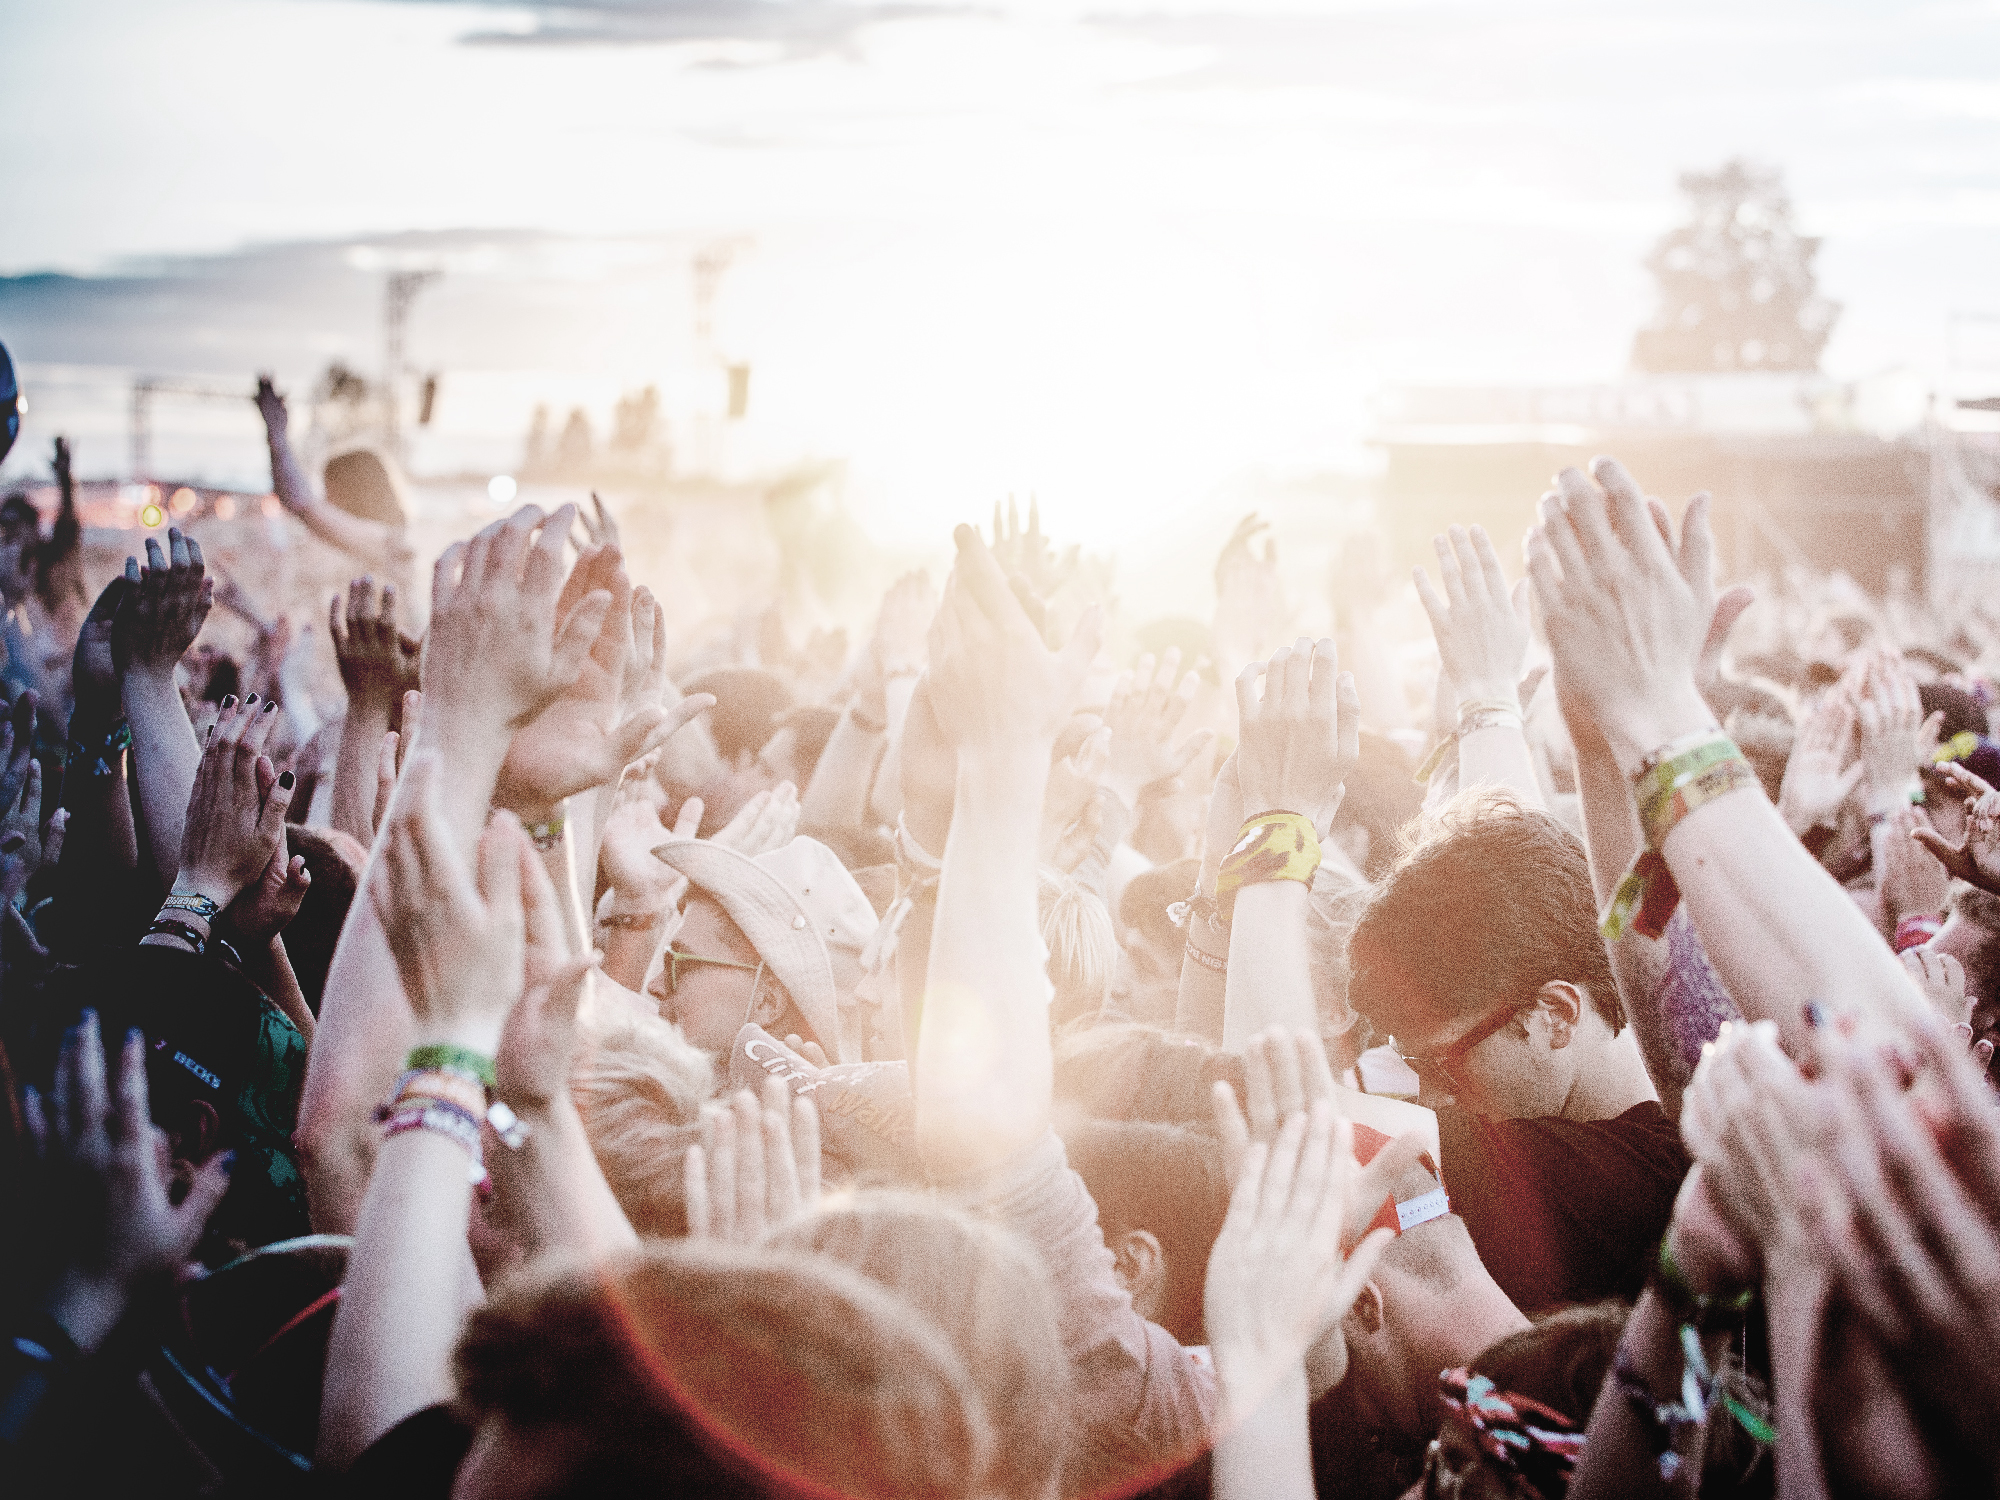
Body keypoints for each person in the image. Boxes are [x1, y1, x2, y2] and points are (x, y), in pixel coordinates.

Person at [1346, 791, 1685, 1311]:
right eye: (1412, 1065)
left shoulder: (1604, 1184)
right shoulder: (1678, 1114)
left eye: (1444, 1064)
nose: (1433, 1096)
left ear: (1556, 1014)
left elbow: (1288, 1124)